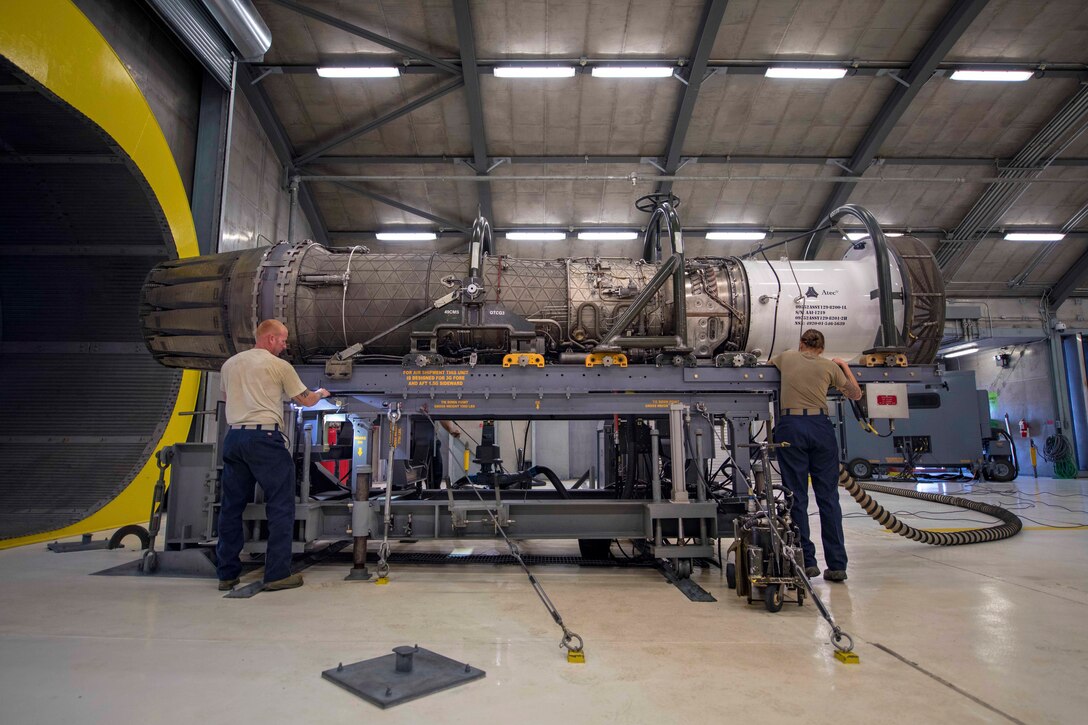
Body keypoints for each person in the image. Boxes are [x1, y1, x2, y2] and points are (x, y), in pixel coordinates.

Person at [216, 319, 330, 592]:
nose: (285, 345)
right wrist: (321, 392)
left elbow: (225, 395)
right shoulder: (278, 366)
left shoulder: (230, 364)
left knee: (231, 506)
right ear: (269, 339)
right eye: (282, 340)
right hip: (264, 439)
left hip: (234, 438)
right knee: (280, 504)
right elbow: (305, 400)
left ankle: (226, 574)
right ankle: (277, 574)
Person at [770, 329, 862, 582]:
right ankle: (837, 565)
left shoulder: (787, 357)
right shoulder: (829, 367)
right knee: (828, 498)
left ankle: (806, 561)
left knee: (796, 496)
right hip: (820, 427)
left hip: (792, 425)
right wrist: (843, 366)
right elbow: (855, 394)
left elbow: (765, 366)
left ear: (801, 344)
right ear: (822, 348)